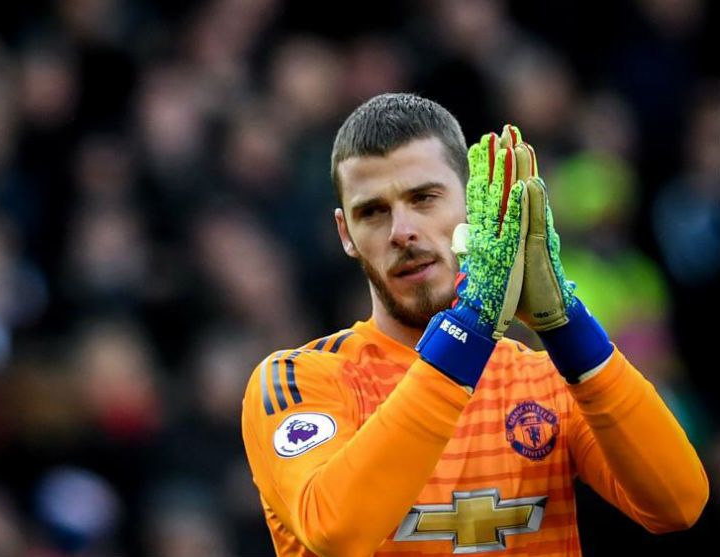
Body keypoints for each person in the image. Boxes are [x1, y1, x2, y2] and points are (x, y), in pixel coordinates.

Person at [240, 93, 708, 557]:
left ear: (471, 203)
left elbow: (679, 504)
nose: (401, 230)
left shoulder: (544, 380)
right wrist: (472, 322)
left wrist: (566, 323)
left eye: (423, 198)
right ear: (346, 235)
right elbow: (337, 532)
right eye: (373, 211)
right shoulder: (297, 381)